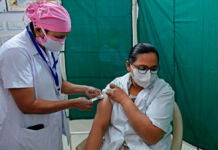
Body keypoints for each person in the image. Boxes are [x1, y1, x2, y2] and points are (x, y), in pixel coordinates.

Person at [0, 2, 101, 150]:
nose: (62, 41)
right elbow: (28, 105)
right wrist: (72, 104)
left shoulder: (48, 45)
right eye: (59, 36)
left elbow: (59, 83)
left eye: (65, 36)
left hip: (47, 128)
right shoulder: (15, 52)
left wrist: (84, 89)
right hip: (23, 134)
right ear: (39, 30)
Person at [85, 43, 175, 150]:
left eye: (153, 68)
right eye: (142, 68)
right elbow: (98, 128)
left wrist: (124, 100)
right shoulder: (116, 86)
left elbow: (152, 136)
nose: (149, 74)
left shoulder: (164, 92)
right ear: (129, 66)